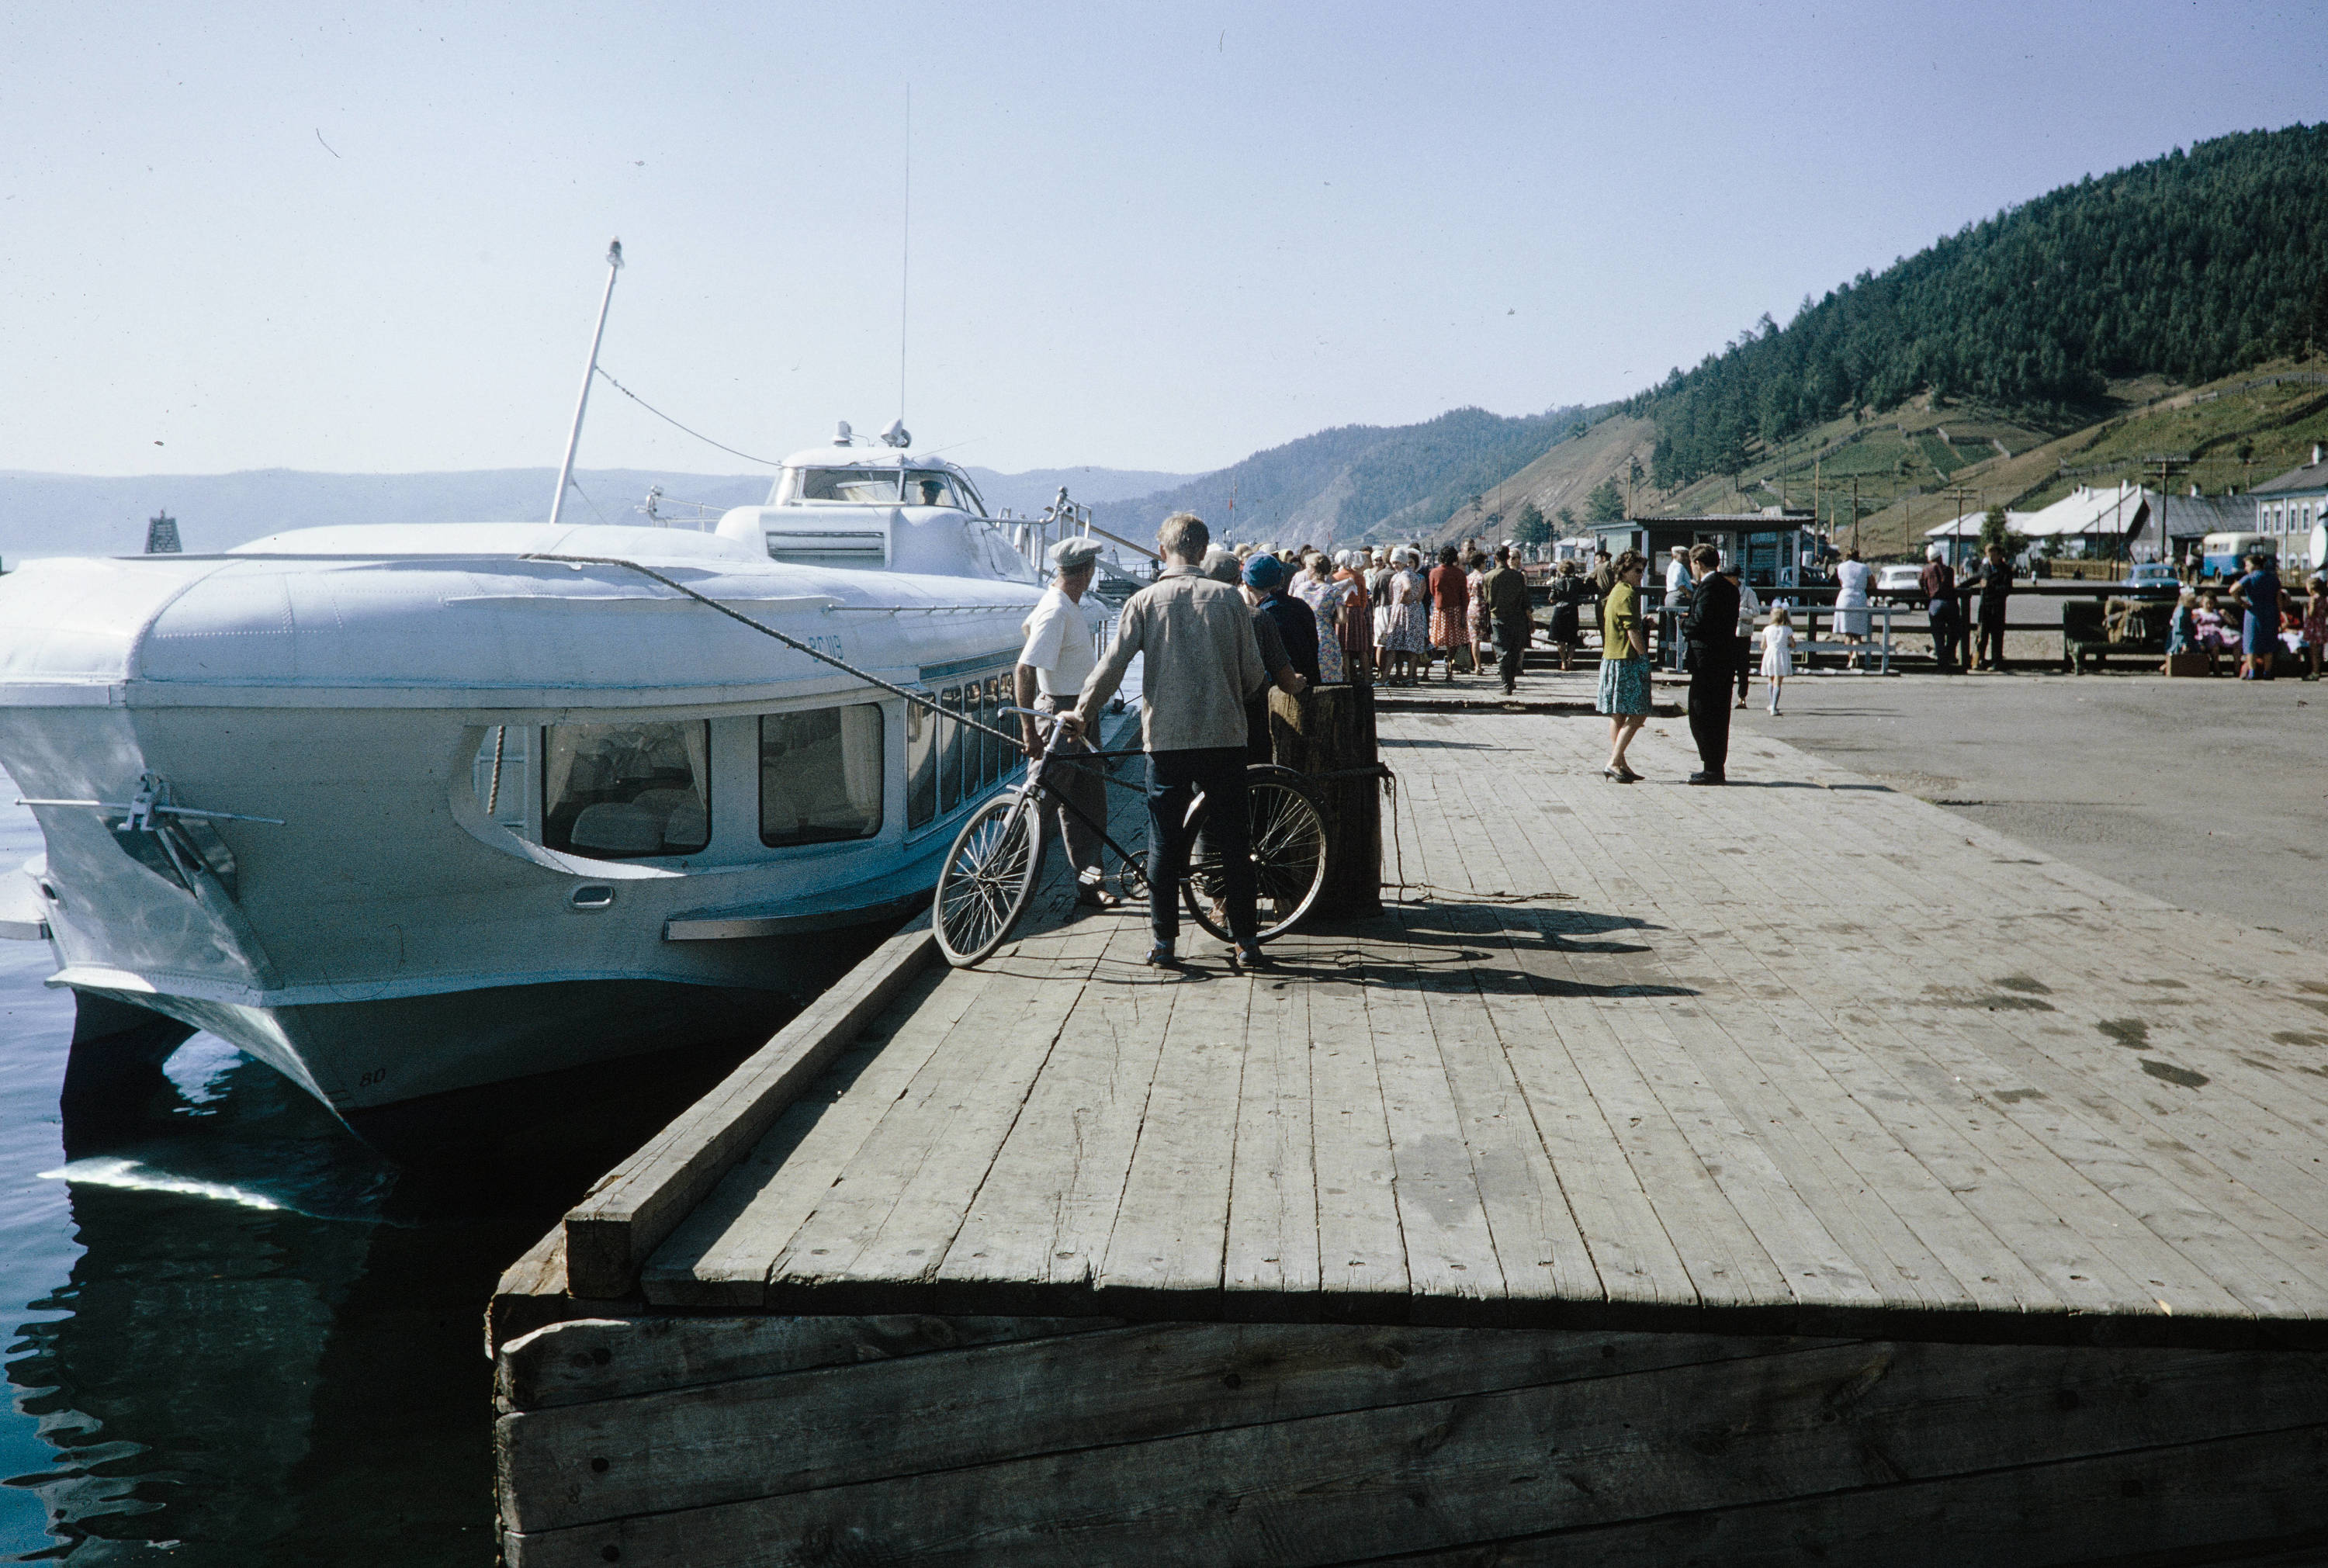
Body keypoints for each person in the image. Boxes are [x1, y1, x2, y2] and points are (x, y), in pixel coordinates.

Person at [1065, 512, 1269, 971]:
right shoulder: (1231, 601)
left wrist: (1082, 712)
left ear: (1163, 551)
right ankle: (1246, 943)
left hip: (1168, 741)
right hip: (1224, 738)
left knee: (1164, 843)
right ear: (1203, 551)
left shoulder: (1143, 601)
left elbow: (1112, 667)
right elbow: (1255, 676)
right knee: (1236, 842)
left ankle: (1164, 944)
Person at [1014, 536, 1114, 908]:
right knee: (1038, 805)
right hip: (1060, 715)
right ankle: (1010, 885)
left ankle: (1090, 885)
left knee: (1088, 806)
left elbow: (1029, 633)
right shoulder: (1056, 609)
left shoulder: (1064, 605)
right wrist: (1030, 731)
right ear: (1087, 572)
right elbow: (1024, 669)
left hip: (1080, 713)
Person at [1679, 543, 1739, 784]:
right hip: (1725, 658)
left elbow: (1701, 622)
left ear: (1698, 564)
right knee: (1719, 714)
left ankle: (1711, 768)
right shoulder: (1730, 587)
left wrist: (1684, 623)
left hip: (1707, 660)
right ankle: (1715, 767)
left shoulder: (1708, 588)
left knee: (1700, 713)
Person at [1596, 550, 1651, 781]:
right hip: (1627, 660)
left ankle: (1620, 764)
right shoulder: (1627, 593)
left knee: (1618, 714)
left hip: (1611, 658)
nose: (1641, 576)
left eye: (1643, 571)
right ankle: (1614, 761)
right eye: (1637, 571)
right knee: (1639, 713)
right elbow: (1632, 629)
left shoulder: (1615, 592)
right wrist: (1644, 657)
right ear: (1624, 570)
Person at [1290, 551, 1353, 685]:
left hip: (1303, 636)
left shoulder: (1300, 590)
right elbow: (1343, 619)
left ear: (1312, 569)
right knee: (1328, 679)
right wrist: (1329, 619)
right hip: (1325, 637)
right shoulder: (1333, 592)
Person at [1481, 544, 1531, 694]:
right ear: (1508, 557)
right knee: (1514, 650)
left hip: (1497, 618)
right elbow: (1525, 599)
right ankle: (1511, 680)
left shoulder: (1488, 577)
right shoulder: (1518, 576)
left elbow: (1486, 598)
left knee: (1502, 652)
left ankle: (1506, 684)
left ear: (1495, 558)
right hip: (1516, 618)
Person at [2226, 551, 2283, 680]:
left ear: (2255, 565)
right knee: (2269, 644)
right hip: (2270, 612)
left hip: (2253, 612)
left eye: (2247, 565)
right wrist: (2279, 614)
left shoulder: (2250, 577)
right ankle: (2267, 673)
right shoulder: (2273, 578)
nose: (2245, 568)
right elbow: (2279, 598)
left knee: (2251, 643)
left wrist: (2242, 603)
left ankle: (2252, 672)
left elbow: (2233, 590)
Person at [1426, 545, 1470, 682]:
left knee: (1435, 642)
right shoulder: (1460, 574)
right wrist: (1463, 615)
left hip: (1440, 610)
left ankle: (1426, 670)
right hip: (1456, 610)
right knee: (1453, 643)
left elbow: (1433, 592)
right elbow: (1464, 596)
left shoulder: (1434, 572)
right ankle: (1449, 671)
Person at [1970, 544, 2014, 671]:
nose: (1990, 557)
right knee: (1981, 635)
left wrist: (1990, 586)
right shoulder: (1984, 568)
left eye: (1993, 555)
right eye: (1989, 555)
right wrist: (1958, 586)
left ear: (1999, 555)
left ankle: (1996, 662)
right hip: (1984, 607)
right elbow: (1974, 579)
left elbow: (2007, 588)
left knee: (1997, 636)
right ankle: (1980, 661)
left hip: (1998, 607)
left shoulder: (2006, 570)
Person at [1921, 545, 1961, 673]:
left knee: (1938, 636)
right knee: (1955, 633)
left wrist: (1927, 593)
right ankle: (1949, 655)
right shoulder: (1949, 570)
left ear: (1929, 559)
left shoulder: (1926, 570)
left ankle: (1942, 664)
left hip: (1935, 604)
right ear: (1940, 557)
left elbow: (1921, 584)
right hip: (1950, 603)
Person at [1726, 562, 1761, 708]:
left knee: (1742, 667)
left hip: (1743, 634)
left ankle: (1742, 696)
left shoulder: (1748, 592)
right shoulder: (1724, 591)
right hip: (1727, 633)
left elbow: (1756, 612)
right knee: (1727, 667)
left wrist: (1739, 612)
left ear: (1735, 578)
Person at [1834, 547, 1872, 670]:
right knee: (1857, 632)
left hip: (1845, 597)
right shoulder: (1864, 567)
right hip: (1860, 598)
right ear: (1858, 556)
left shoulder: (1841, 567)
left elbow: (1841, 582)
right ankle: (1856, 652)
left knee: (1848, 632)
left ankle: (1850, 658)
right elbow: (1873, 583)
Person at [1547, 560, 1585, 671]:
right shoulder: (1577, 581)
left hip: (1560, 610)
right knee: (1572, 638)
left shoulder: (1556, 582)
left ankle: (1563, 662)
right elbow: (1584, 590)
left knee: (1560, 639)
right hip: (1572, 610)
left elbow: (1552, 598)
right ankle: (1570, 661)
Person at [1759, 604, 1797, 715]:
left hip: (1770, 653)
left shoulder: (1767, 629)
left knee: (1771, 679)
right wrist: (1787, 645)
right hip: (1781, 654)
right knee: (1778, 681)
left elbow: (1762, 646)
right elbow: (1793, 644)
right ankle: (1774, 707)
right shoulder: (1787, 629)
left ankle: (1771, 703)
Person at [1465, 550, 1491, 676]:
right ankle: (1498, 663)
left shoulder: (1468, 578)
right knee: (1490, 636)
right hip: (1482, 608)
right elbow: (1488, 595)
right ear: (1481, 563)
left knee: (1474, 638)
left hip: (1471, 608)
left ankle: (1477, 666)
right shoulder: (1484, 578)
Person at [2304, 574, 2326, 681]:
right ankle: (2318, 670)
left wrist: (2308, 608)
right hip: (2321, 625)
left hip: (2314, 627)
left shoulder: (2313, 599)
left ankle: (2315, 671)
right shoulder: (2323, 599)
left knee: (2314, 651)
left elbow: (2311, 613)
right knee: (2319, 651)